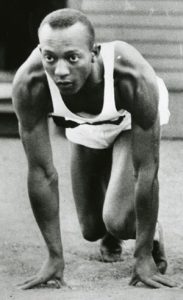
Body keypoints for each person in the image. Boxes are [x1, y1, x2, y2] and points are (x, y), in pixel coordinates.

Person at [12, 8, 174, 289]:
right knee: (91, 229)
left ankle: (148, 232)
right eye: (50, 57)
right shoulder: (30, 82)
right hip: (83, 124)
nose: (60, 71)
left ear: (94, 53)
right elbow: (41, 173)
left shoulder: (132, 75)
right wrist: (54, 256)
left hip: (127, 120)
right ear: (41, 52)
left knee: (119, 221)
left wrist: (143, 254)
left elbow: (146, 171)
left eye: (73, 58)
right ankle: (111, 223)